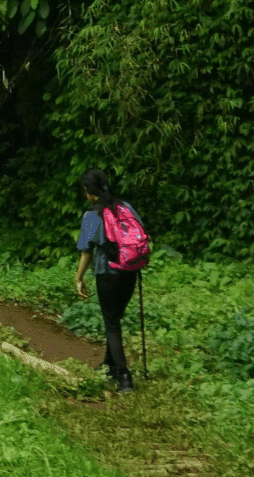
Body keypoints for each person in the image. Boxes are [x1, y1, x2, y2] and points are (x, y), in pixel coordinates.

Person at [73, 167, 141, 392]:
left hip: (107, 274)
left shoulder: (92, 215)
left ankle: (124, 377)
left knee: (111, 324)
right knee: (115, 319)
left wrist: (79, 278)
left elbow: (86, 251)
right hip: (130, 272)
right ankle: (109, 365)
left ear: (88, 192)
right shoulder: (125, 206)